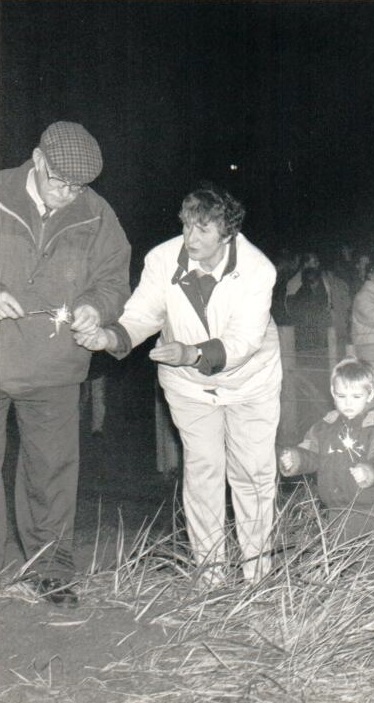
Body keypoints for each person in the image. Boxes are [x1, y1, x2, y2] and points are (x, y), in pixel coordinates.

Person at [75, 184, 281, 587]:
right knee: (203, 471)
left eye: (203, 231)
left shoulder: (259, 270)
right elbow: (142, 315)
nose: (191, 239)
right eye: (187, 226)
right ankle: (210, 577)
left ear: (229, 233)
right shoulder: (162, 259)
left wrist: (190, 353)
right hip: (189, 388)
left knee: (251, 474)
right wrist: (110, 338)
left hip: (249, 384)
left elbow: (241, 343)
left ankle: (259, 577)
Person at [0, 121, 131, 606]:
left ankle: (50, 569)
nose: (68, 194)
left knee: (52, 471)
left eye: (77, 187)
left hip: (54, 366)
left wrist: (98, 305)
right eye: (60, 182)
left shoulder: (96, 215)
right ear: (37, 160)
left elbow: (115, 279)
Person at [279, 357, 374, 544]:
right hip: (335, 510)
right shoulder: (325, 426)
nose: (348, 403)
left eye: (356, 397)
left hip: (369, 510)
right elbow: (311, 452)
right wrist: (296, 459)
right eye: (341, 396)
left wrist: (370, 471)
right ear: (332, 393)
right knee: (342, 559)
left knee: (368, 563)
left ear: (370, 395)